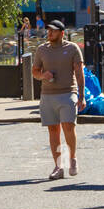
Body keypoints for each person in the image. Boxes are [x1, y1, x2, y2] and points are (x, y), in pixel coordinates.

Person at [33, 20, 86, 179]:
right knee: (53, 130)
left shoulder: (72, 48)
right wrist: (43, 75)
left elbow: (79, 73)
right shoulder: (42, 50)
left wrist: (81, 96)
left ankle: (72, 158)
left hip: (68, 93)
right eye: (49, 30)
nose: (50, 33)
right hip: (47, 94)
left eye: (54, 31)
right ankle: (58, 167)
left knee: (68, 127)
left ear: (62, 33)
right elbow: (35, 71)